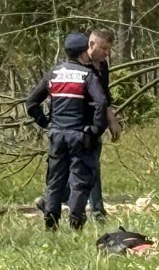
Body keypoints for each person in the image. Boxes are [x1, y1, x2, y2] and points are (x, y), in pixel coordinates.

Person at [25, 33, 110, 230]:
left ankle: (51, 223)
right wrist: (96, 129)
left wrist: (46, 123)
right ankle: (76, 221)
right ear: (84, 52)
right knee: (80, 180)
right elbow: (101, 102)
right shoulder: (86, 75)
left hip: (57, 135)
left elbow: (31, 102)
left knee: (55, 180)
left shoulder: (54, 73)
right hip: (79, 134)